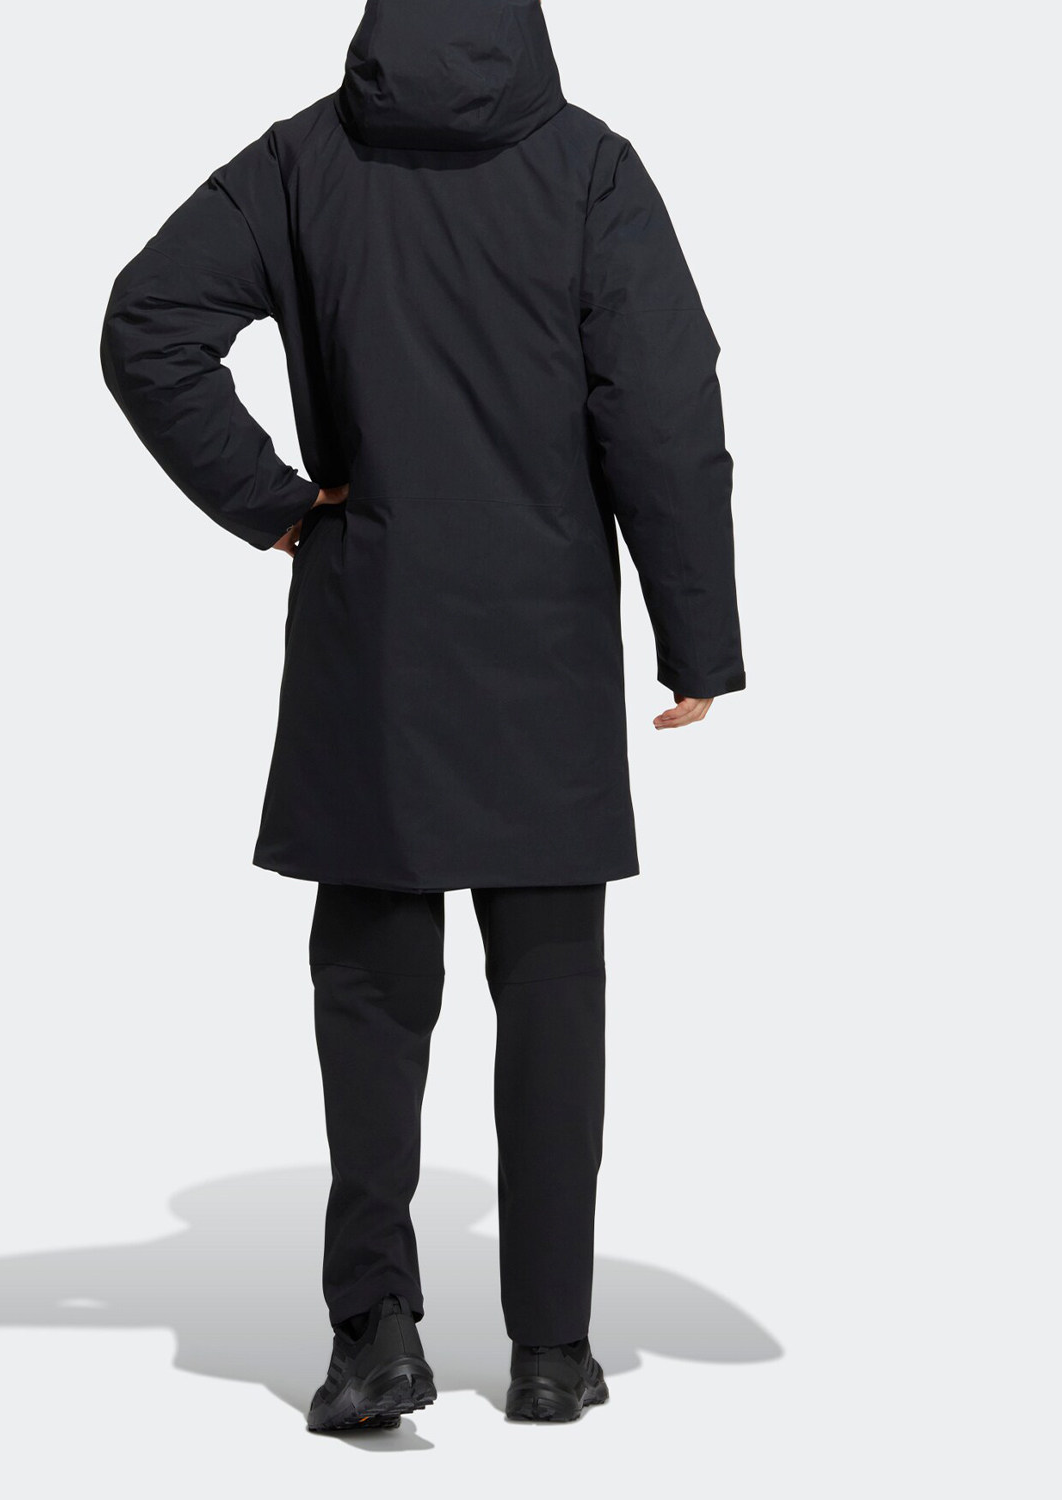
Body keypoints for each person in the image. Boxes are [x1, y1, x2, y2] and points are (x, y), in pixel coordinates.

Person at [100, 0, 744, 1430]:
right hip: (544, 639)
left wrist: (277, 506)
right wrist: (695, 635)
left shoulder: (302, 163)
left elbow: (148, 325)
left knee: (374, 993)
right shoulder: (588, 169)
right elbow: (662, 406)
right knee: (553, 991)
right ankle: (554, 1348)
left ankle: (374, 1331)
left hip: (374, 628)